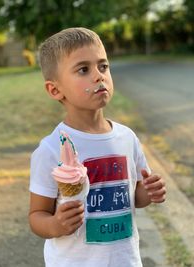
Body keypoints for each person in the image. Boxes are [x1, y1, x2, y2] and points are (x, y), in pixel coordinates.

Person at [29, 27, 166, 267]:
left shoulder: (126, 137)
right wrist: (55, 225)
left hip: (125, 260)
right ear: (55, 89)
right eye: (84, 69)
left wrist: (149, 193)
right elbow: (36, 216)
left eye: (103, 66)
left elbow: (133, 197)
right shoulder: (51, 149)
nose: (98, 76)